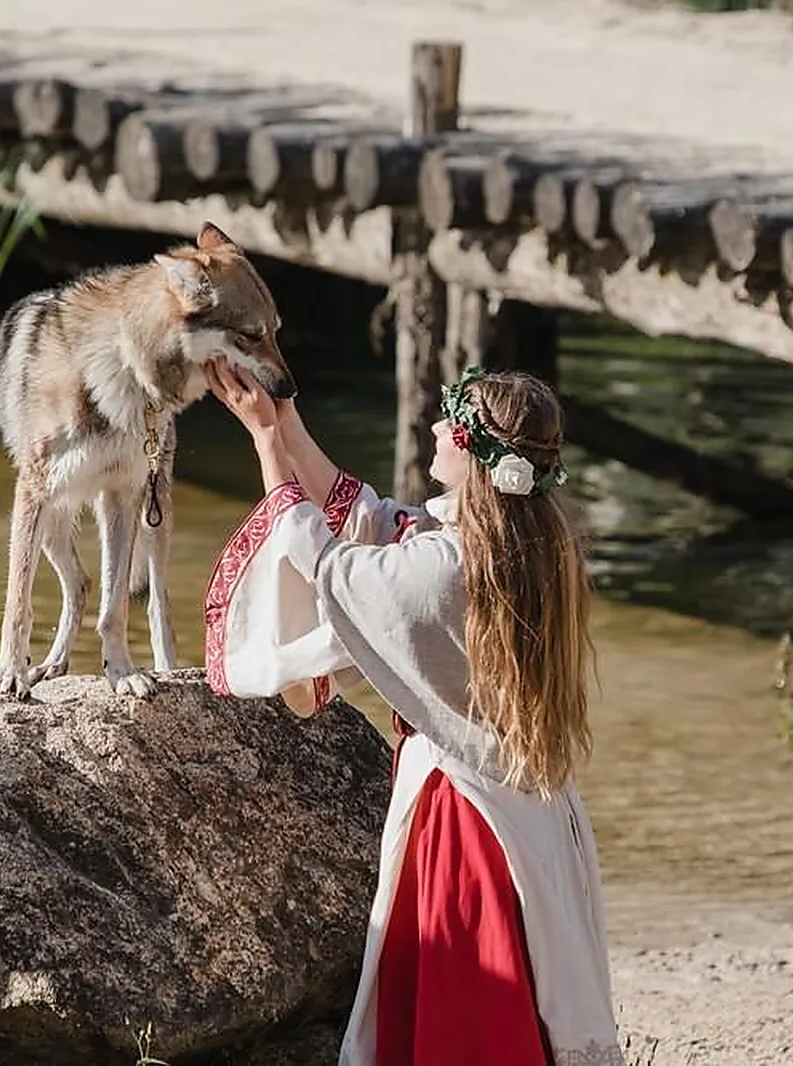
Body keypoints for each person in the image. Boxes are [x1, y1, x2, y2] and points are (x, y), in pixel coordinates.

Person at [202, 359, 624, 1066]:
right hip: (532, 806)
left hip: (463, 815)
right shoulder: (529, 541)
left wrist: (266, 449)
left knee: (464, 1002)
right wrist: (287, 418)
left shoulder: (449, 564)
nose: (431, 428)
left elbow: (337, 569)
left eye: (447, 422)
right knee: (537, 982)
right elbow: (370, 514)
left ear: (471, 449)